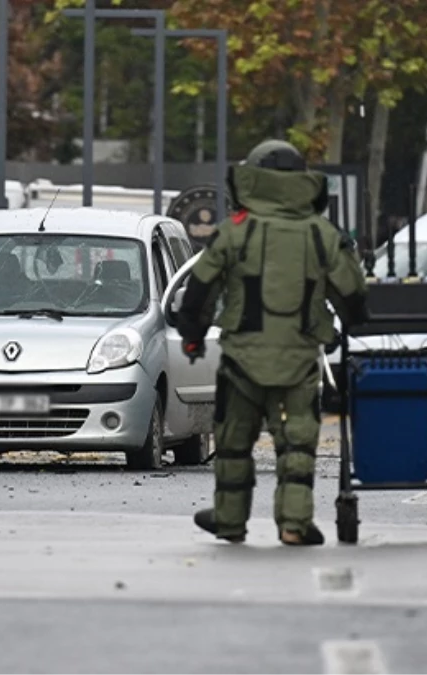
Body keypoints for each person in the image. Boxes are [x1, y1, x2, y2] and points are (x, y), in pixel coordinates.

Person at [176, 139, 369, 547]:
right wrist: (350, 325)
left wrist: (193, 337)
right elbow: (352, 296)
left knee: (233, 441)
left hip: (241, 362)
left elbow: (199, 291)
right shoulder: (323, 235)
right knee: (297, 444)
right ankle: (294, 524)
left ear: (253, 179)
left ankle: (230, 520)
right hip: (300, 361)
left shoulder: (234, 232)